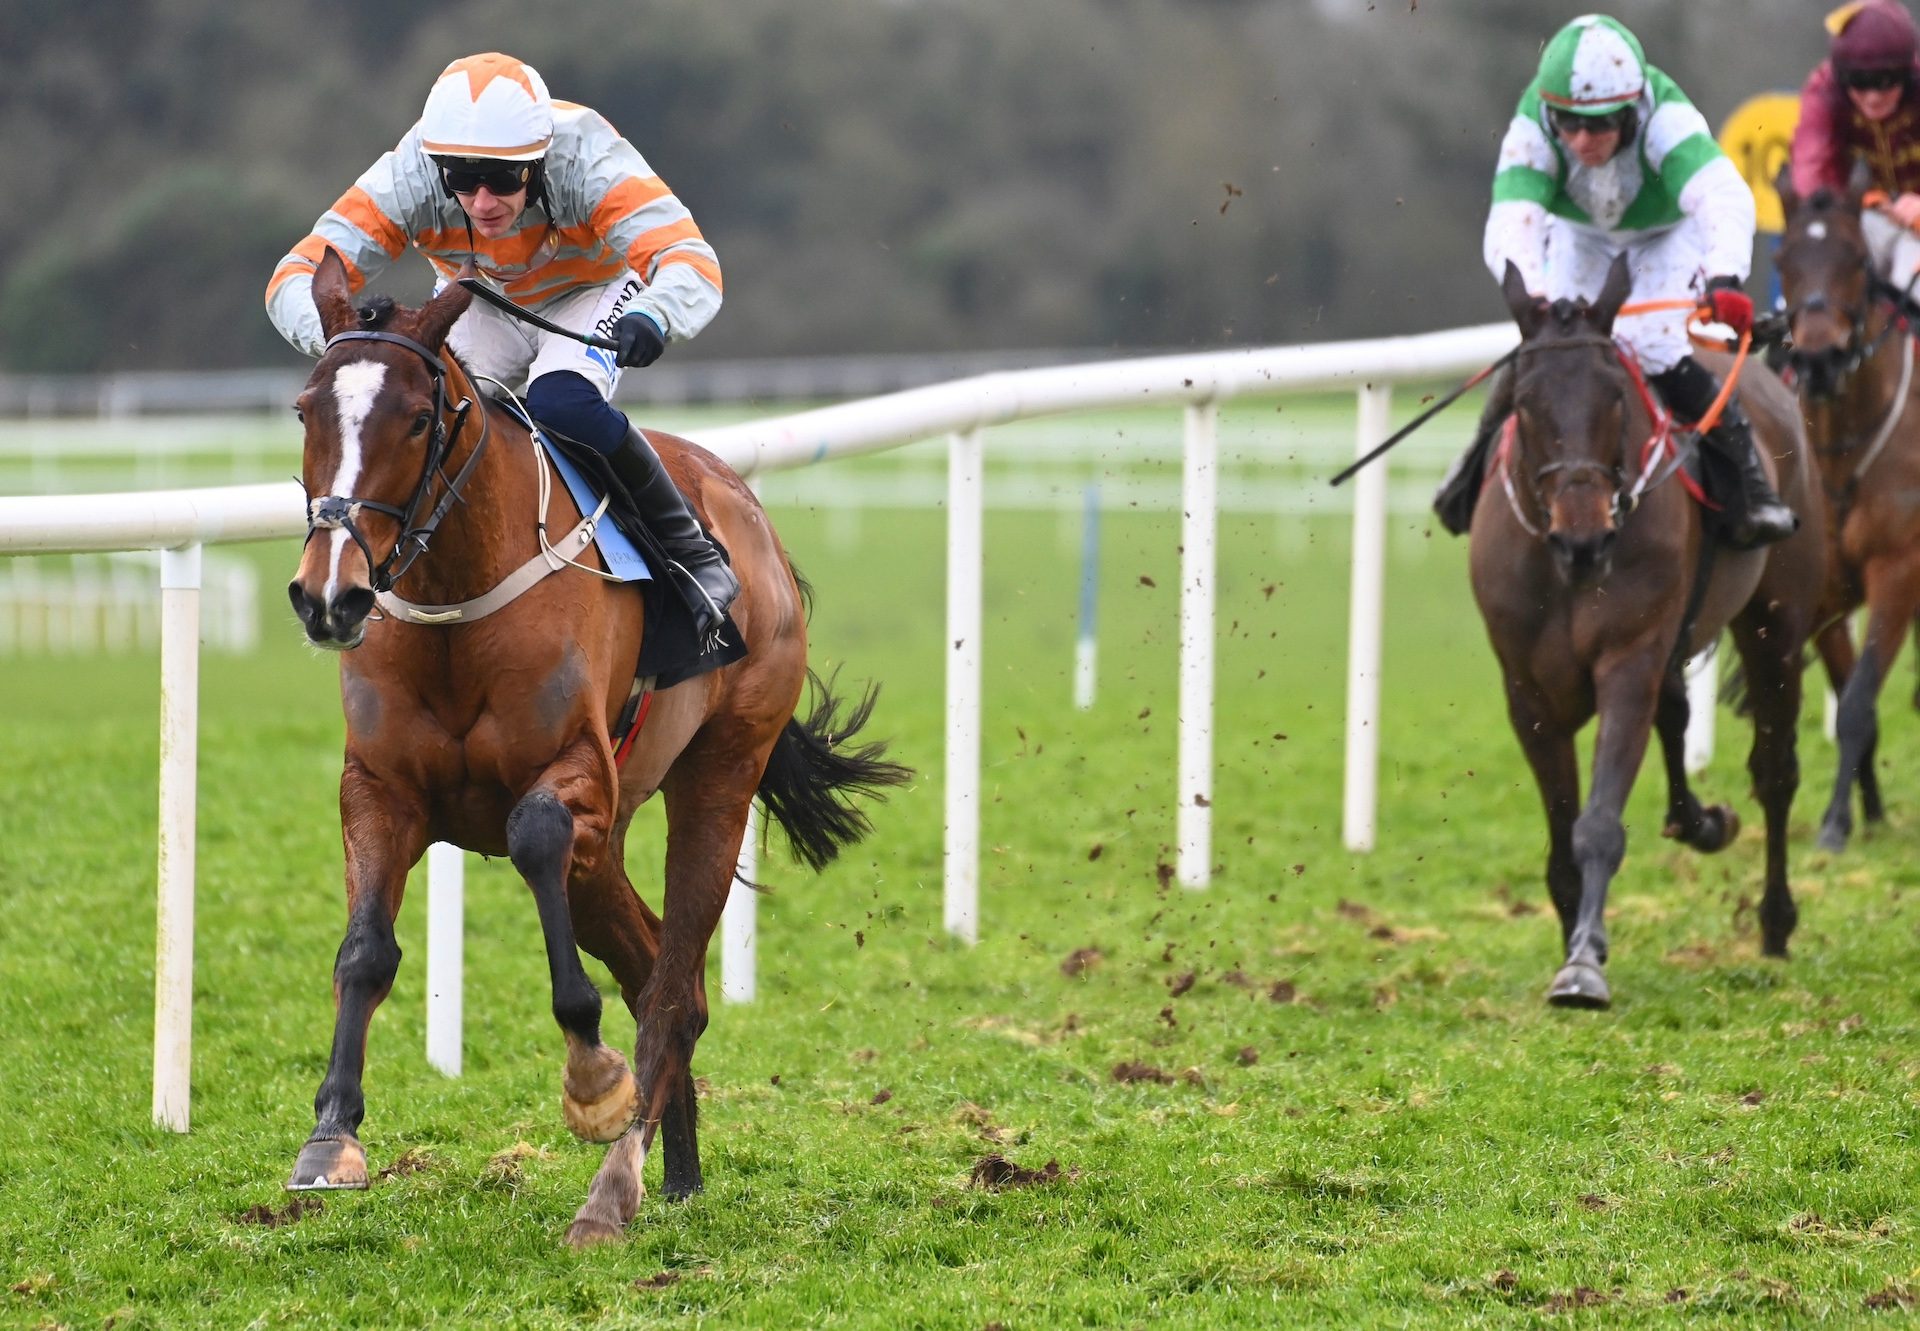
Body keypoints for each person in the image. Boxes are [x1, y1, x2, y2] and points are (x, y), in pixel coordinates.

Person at [266, 53, 738, 638]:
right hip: (481, 298)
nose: (484, 202)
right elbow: (296, 274)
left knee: (562, 405)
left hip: (590, 292)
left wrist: (655, 314)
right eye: (463, 181)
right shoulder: (409, 174)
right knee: (435, 416)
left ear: (538, 162)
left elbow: (689, 260)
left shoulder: (587, 157)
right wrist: (346, 340)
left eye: (504, 178)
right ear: (440, 168)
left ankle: (692, 555)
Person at [1433, 15, 1797, 549]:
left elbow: (1725, 197)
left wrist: (1725, 276)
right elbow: (1513, 221)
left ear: (1631, 112)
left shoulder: (1666, 118)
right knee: (1549, 349)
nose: (1582, 140)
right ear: (1550, 111)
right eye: (1569, 125)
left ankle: (1749, 485)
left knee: (1652, 346)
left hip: (1665, 237)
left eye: (1600, 125)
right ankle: (1471, 466)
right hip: (1581, 237)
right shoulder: (1532, 125)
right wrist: (1534, 300)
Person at [1790, 0, 1920, 292]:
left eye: (1886, 81)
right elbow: (1811, 176)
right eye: (1859, 81)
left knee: (1912, 285)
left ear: (1908, 72)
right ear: (1840, 76)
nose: (1873, 97)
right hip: (1862, 221)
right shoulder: (1824, 94)